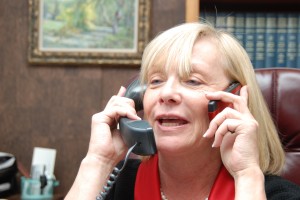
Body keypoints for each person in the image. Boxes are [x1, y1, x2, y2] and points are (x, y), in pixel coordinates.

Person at [65, 22, 300, 200]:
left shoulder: (274, 193)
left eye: (193, 81)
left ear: (232, 100)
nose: (166, 93)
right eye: (156, 81)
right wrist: (98, 161)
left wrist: (247, 174)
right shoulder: (117, 183)